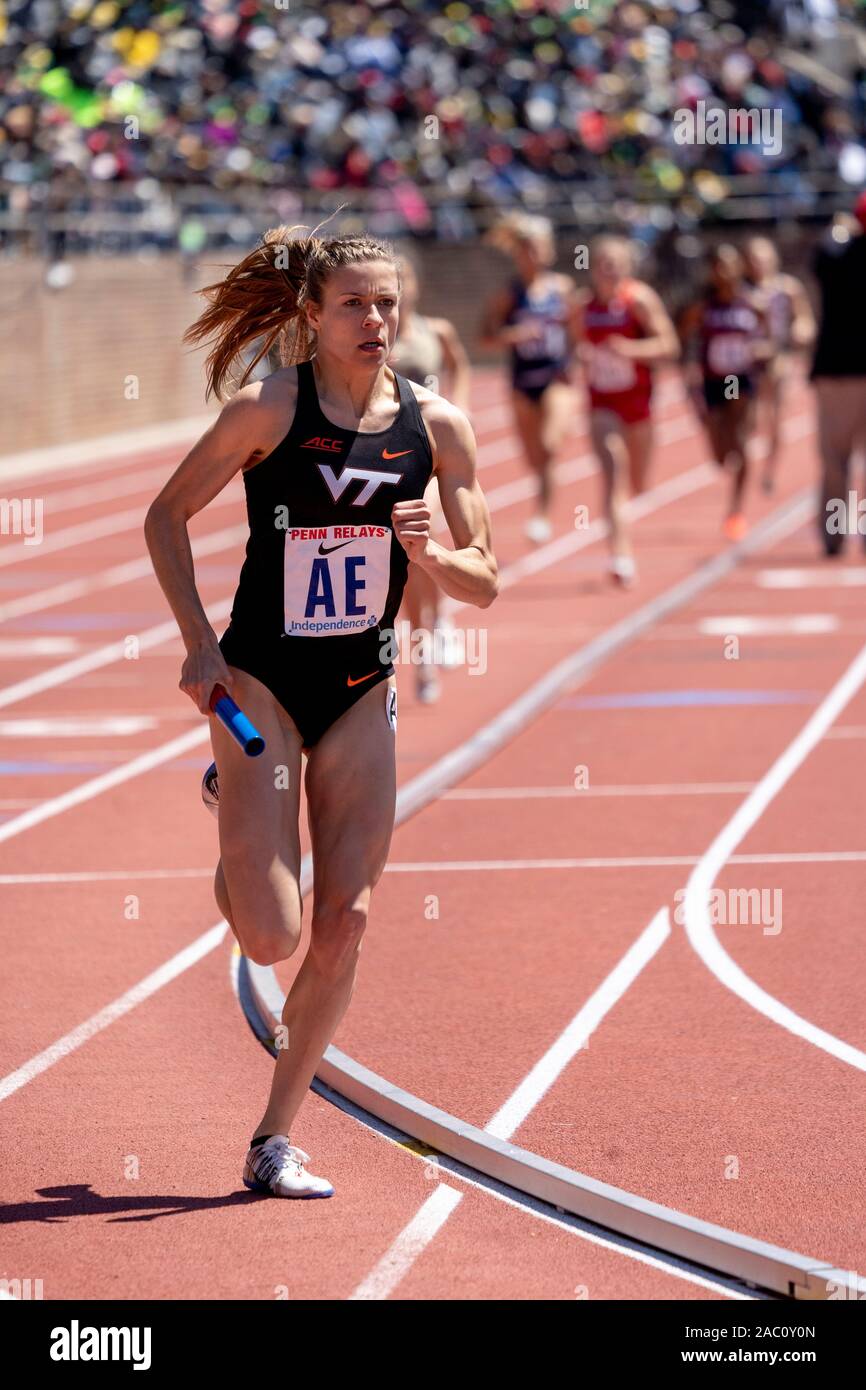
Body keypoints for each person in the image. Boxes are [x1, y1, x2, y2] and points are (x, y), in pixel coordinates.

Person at [144, 228, 498, 1198]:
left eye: (386, 303)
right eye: (353, 304)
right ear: (312, 315)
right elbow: (163, 515)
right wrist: (198, 643)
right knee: (270, 934)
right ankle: (237, 810)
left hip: (359, 691)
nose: (375, 320)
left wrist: (429, 557)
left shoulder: (439, 429)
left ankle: (272, 1139)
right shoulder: (267, 408)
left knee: (345, 922)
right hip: (259, 680)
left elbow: (486, 582)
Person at [571, 235, 680, 586]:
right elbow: (575, 344)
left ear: (627, 267)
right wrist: (582, 356)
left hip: (638, 402)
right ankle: (621, 554)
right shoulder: (582, 306)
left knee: (638, 481)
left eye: (615, 264)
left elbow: (669, 345)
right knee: (612, 471)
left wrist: (630, 350)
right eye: (602, 264)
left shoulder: (640, 300)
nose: (608, 271)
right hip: (602, 402)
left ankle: (624, 533)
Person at [389, 249, 472, 703]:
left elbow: (459, 365)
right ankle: (421, 648)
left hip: (430, 455)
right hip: (385, 455)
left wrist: (457, 409)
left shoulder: (434, 331)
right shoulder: (374, 337)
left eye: (404, 279)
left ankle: (436, 626)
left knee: (426, 533)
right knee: (404, 557)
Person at [479, 213, 578, 545]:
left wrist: (575, 360)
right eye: (525, 250)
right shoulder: (510, 293)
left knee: (550, 446)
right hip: (522, 380)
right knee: (533, 457)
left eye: (537, 250)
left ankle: (543, 515)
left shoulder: (562, 289)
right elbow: (485, 336)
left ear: (548, 253)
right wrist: (513, 335)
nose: (531, 256)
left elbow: (578, 331)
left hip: (555, 376)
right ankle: (543, 496)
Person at [679, 243, 771, 541]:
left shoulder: (753, 304)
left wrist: (762, 351)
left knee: (741, 439)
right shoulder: (703, 308)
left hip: (740, 380)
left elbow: (770, 339)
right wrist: (688, 374)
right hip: (714, 381)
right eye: (718, 265)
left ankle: (736, 509)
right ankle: (726, 445)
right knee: (721, 453)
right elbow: (683, 339)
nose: (723, 271)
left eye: (729, 265)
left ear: (739, 269)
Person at [809, 196, 866, 556]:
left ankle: (834, 536)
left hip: (837, 371)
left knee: (835, 460)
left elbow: (820, 260)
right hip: (844, 369)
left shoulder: (837, 255)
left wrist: (839, 230)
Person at [744, 236, 816, 493]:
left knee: (775, 418)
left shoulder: (787, 288)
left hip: (777, 359)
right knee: (742, 415)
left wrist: (800, 332)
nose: (758, 264)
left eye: (762, 259)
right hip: (741, 368)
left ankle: (769, 470)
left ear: (773, 259)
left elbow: (805, 320)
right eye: (752, 259)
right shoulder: (739, 289)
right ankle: (738, 458)